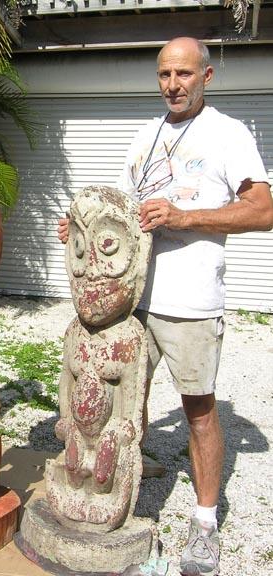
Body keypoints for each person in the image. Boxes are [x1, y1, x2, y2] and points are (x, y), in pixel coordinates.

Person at [58, 37, 273, 576]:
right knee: (125, 400)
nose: (173, 85)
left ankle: (205, 522)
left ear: (207, 76)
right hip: (131, 300)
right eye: (164, 74)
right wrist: (80, 230)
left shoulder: (228, 133)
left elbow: (263, 210)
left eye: (184, 74)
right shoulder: (145, 135)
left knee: (198, 410)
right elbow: (120, 212)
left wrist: (184, 217)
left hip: (190, 301)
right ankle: (131, 467)